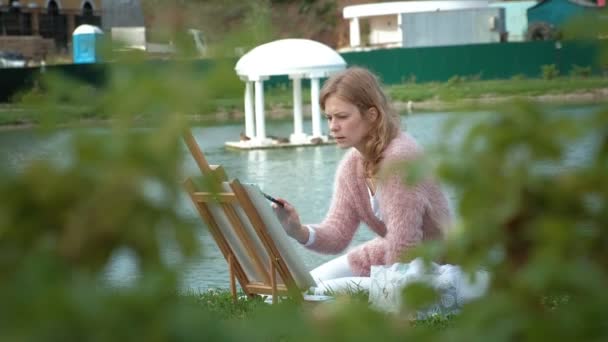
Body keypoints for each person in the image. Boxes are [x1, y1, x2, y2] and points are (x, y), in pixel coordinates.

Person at [272, 67, 450, 283]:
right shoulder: (351, 165)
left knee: (329, 290)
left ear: (372, 115)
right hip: (386, 253)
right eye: (329, 118)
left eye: (342, 117)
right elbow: (337, 234)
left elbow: (404, 245)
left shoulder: (400, 160)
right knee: (304, 284)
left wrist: (391, 299)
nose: (333, 127)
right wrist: (298, 230)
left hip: (435, 264)